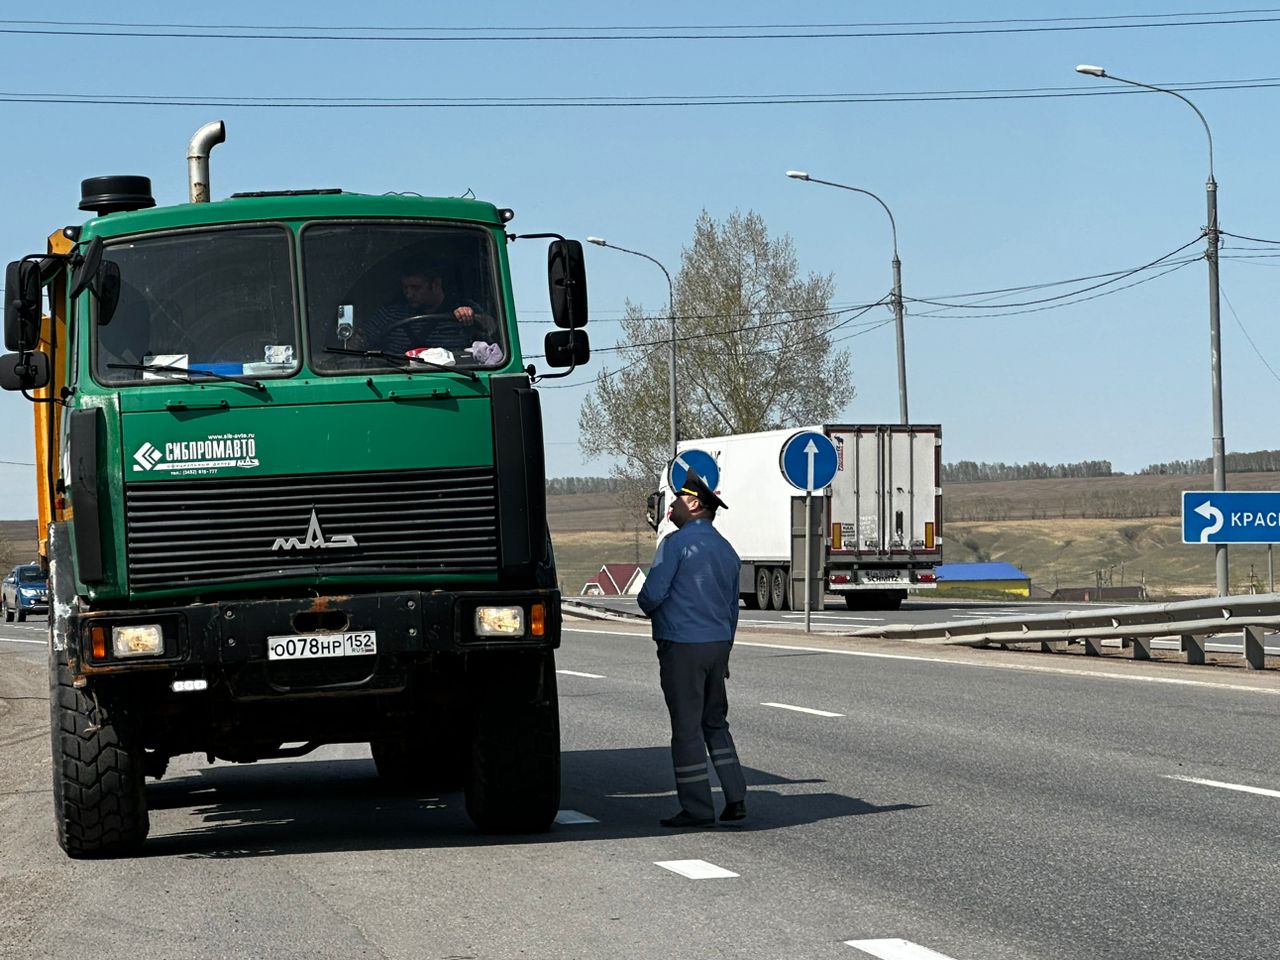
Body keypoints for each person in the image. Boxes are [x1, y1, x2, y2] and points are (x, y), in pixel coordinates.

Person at [637, 468, 748, 828]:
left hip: (682, 646)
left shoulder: (676, 544)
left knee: (686, 728)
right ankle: (736, 797)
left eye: (678, 499)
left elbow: (652, 595)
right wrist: (726, 650)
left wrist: (647, 604)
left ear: (694, 503)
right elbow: (732, 608)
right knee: (715, 721)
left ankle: (698, 808)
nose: (671, 505)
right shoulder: (727, 549)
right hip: (717, 646)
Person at [365, 259, 497, 356]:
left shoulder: (461, 307)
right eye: (405, 288)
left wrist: (471, 317)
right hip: (397, 376)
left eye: (416, 288)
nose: (409, 294)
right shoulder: (390, 314)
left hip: (453, 376)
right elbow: (362, 339)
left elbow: (491, 326)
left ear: (436, 284)